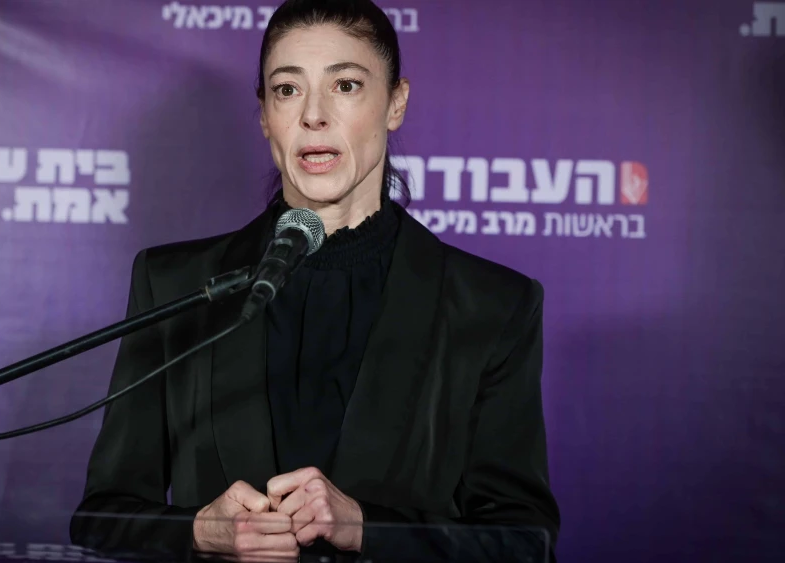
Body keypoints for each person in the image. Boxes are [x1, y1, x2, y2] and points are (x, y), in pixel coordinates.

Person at [71, 0, 560, 560]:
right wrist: (201, 531)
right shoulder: (175, 285)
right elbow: (101, 517)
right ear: (264, 114)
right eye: (287, 89)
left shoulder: (492, 304)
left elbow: (525, 542)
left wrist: (368, 527)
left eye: (346, 85)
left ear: (395, 103)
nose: (313, 116)